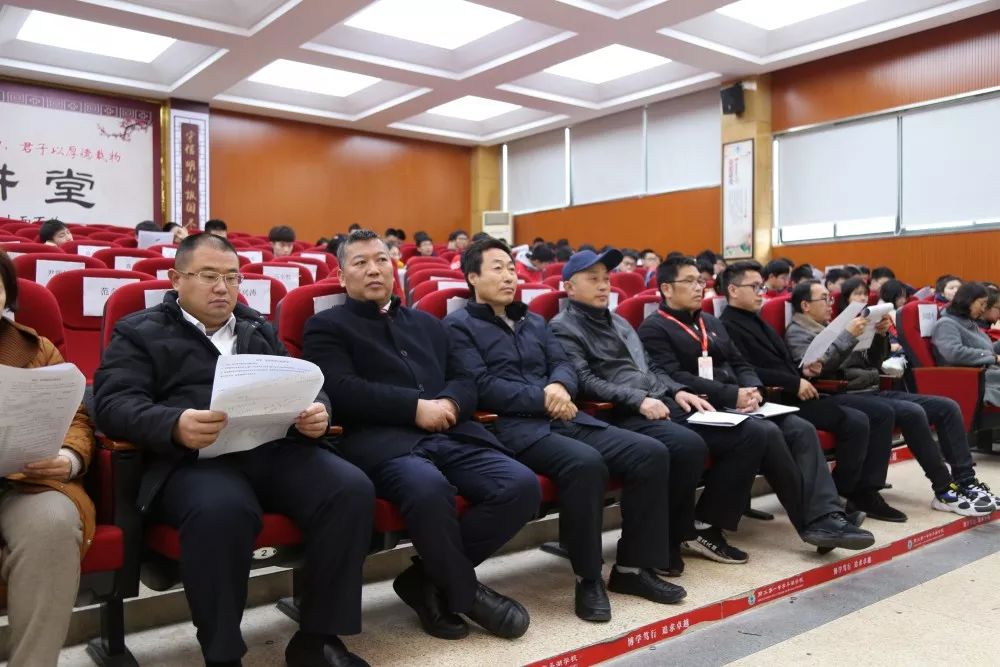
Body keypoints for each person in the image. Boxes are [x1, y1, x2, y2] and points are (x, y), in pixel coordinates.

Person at [93, 234, 374, 667]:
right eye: (208, 276)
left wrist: (319, 411)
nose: (222, 288)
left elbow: (307, 383)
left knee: (349, 488)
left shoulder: (255, 326)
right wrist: (174, 424)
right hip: (194, 461)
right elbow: (112, 405)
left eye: (231, 277)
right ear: (176, 279)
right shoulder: (140, 332)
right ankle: (223, 654)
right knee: (223, 510)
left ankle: (318, 638)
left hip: (271, 449)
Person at [302, 229, 539, 642]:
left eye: (381, 260)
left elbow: (464, 378)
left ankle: (426, 579)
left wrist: (448, 403)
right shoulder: (326, 326)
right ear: (341, 276)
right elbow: (340, 389)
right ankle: (466, 594)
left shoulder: (428, 324)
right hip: (383, 442)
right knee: (428, 489)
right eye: (360, 263)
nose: (374, 269)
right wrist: (414, 407)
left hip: (451, 431)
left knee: (520, 486)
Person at [549, 250, 850, 567]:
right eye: (593, 279)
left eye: (606, 279)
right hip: (622, 411)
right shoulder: (564, 327)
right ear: (569, 287)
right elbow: (584, 379)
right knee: (710, 440)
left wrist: (677, 390)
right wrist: (639, 398)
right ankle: (679, 534)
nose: (604, 285)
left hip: (664, 400)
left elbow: (652, 368)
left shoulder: (620, 321)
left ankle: (714, 525)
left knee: (758, 433)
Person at [445, 239, 687, 622]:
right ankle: (587, 577)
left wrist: (559, 385)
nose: (508, 276)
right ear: (472, 277)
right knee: (585, 464)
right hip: (511, 429)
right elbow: (480, 385)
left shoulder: (533, 322)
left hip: (566, 417)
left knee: (650, 453)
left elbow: (564, 366)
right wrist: (544, 398)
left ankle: (632, 568)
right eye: (497, 268)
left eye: (510, 268)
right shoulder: (457, 326)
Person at [638, 257, 874, 552]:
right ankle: (814, 522)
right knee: (767, 433)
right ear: (666, 289)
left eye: (700, 281)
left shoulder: (709, 322)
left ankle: (827, 513)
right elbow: (675, 377)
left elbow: (740, 363)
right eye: (689, 281)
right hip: (701, 407)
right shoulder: (654, 328)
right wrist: (731, 395)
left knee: (800, 428)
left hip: (738, 403)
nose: (699, 287)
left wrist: (753, 390)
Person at [785, 280, 997, 518]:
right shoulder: (799, 332)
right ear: (805, 305)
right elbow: (817, 370)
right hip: (842, 393)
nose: (829, 303)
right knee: (910, 412)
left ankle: (966, 481)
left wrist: (879, 335)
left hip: (871, 387)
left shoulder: (833, 326)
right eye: (824, 299)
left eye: (830, 298)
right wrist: (847, 336)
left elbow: (874, 362)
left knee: (946, 406)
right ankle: (943, 488)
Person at [718, 262, 895, 506]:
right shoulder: (727, 325)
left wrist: (804, 369)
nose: (761, 293)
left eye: (762, 287)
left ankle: (845, 492)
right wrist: (795, 381)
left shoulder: (755, 319)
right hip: (777, 396)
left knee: (860, 419)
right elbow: (748, 370)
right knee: (855, 422)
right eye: (755, 287)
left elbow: (780, 362)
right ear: (733, 290)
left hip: (795, 389)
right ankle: (841, 495)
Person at [0, 251, 95, 666]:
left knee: (54, 523)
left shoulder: (36, 348)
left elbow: (75, 416)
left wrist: (69, 457)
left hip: (24, 480)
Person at [932, 282, 1000, 409]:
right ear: (968, 300)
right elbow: (954, 353)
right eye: (981, 304)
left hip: (985, 374)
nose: (983, 309)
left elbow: (986, 348)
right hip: (971, 379)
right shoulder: (946, 324)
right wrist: (993, 357)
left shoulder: (967, 322)